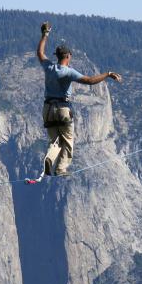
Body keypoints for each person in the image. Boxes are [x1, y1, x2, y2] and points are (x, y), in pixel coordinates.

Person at [36, 22, 122, 177]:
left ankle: (50, 158)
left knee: (55, 141)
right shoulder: (68, 72)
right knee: (67, 141)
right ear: (68, 56)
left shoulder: (49, 67)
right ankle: (60, 168)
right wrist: (107, 74)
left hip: (47, 109)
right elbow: (89, 81)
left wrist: (44, 35)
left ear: (57, 56)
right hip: (62, 109)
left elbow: (40, 53)